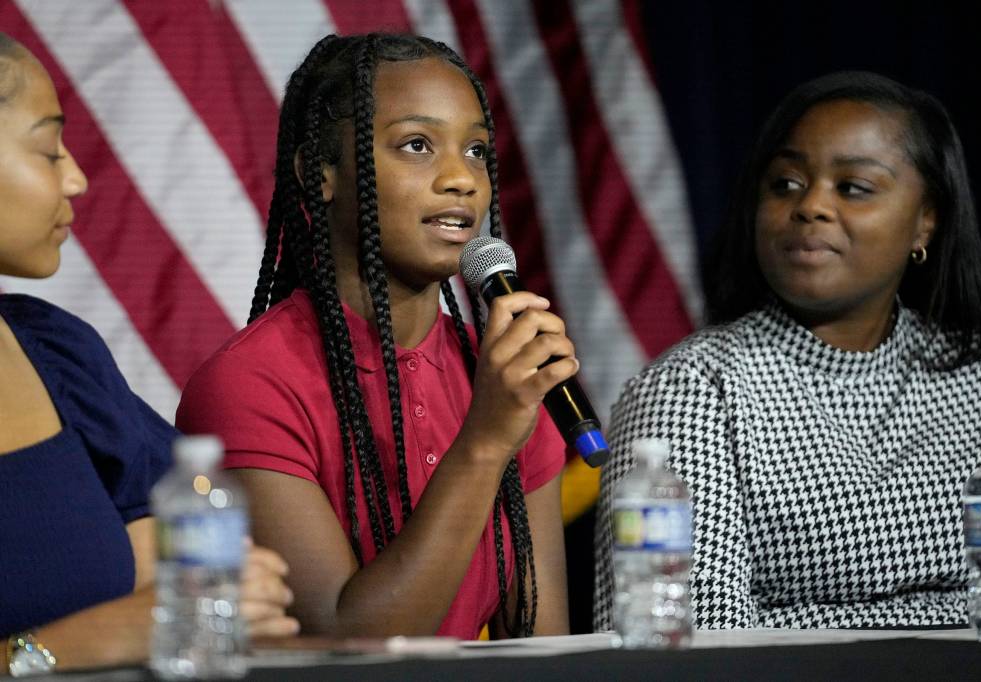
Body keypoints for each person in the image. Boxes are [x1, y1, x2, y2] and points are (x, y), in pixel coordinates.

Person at [593, 71, 981, 630]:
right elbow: (695, 641)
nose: (810, 206)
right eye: (786, 184)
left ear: (926, 221)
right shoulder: (694, 387)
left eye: (852, 187)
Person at [176, 33, 571, 640]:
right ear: (321, 172)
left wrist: (501, 417)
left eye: (475, 151)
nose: (462, 179)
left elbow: (542, 644)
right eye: (418, 145)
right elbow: (347, 639)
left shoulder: (498, 376)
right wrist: (486, 441)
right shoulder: (247, 385)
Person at [0, 32, 297, 673]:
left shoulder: (59, 357)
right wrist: (72, 646)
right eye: (48, 149)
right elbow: (125, 623)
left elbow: (167, 594)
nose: (75, 178)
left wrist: (232, 600)